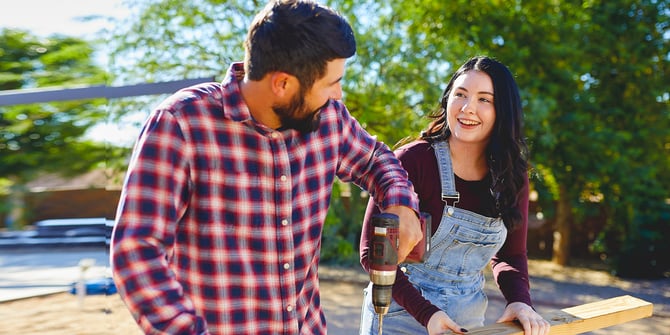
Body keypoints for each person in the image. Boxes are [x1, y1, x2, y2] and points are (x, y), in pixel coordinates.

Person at [110, 1, 423, 334]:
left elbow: (377, 159)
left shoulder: (328, 119)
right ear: (283, 84)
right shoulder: (181, 124)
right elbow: (136, 251)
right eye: (331, 83)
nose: (339, 94)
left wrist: (400, 202)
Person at [359, 56, 550, 335]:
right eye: (460, 94)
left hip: (466, 319)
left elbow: (511, 254)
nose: (468, 108)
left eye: (485, 99)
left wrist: (520, 301)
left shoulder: (512, 176)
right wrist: (428, 314)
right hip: (400, 313)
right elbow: (373, 254)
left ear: (503, 111)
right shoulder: (412, 161)